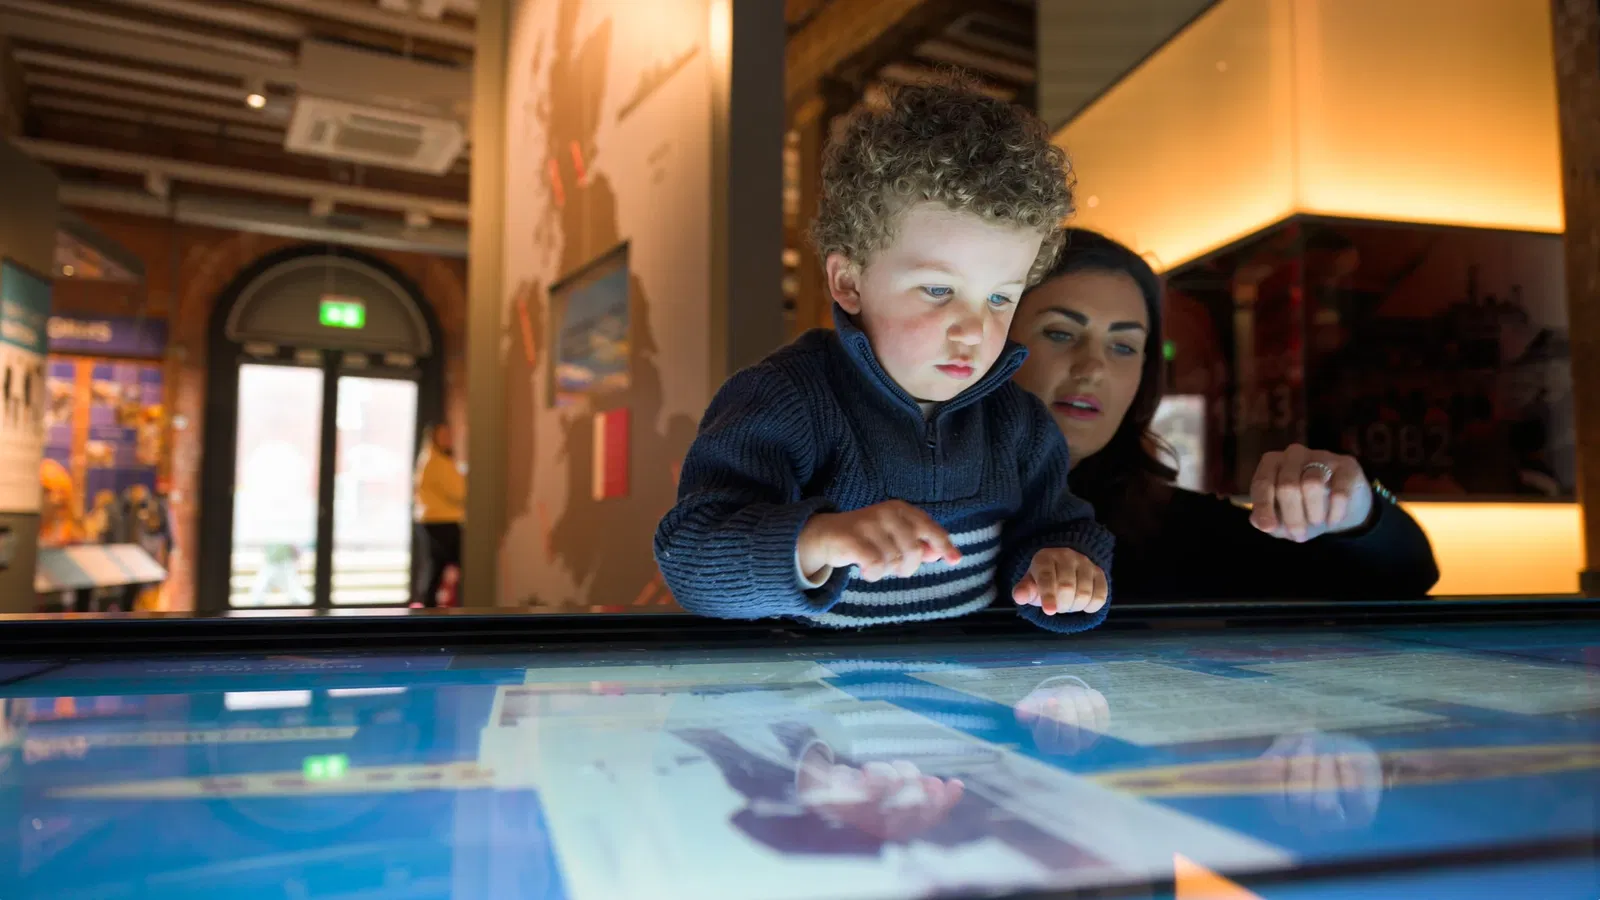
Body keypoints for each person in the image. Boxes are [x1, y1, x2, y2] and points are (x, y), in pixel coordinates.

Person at [655, 76, 1113, 632]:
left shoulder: (1019, 425)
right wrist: (817, 539)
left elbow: (1056, 530)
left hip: (960, 698)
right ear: (848, 281)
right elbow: (692, 557)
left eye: (999, 297)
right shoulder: (784, 399)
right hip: (807, 705)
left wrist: (1061, 569)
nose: (973, 329)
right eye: (938, 290)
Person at [1009, 228, 1439, 601]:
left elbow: (1405, 575)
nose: (1094, 368)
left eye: (1123, 346)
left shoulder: (1173, 530)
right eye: (1060, 333)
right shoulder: (944, 510)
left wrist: (1357, 510)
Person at [413, 421, 464, 608]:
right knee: (440, 567)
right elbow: (459, 492)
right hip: (441, 521)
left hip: (436, 520)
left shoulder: (433, 459)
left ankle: (429, 608)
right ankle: (428, 609)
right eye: (443, 435)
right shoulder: (437, 461)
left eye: (449, 435)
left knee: (438, 567)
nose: (448, 439)